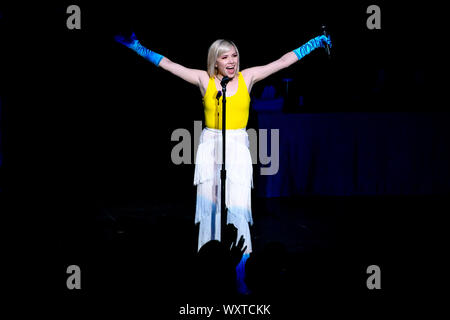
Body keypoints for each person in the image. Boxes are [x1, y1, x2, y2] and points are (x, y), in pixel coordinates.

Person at [115, 33, 331, 294]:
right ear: (214, 61)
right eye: (225, 56)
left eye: (235, 55)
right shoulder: (203, 79)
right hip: (211, 145)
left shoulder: (247, 77)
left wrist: (315, 42)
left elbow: (283, 61)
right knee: (210, 211)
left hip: (238, 145)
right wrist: (137, 47)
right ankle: (208, 276)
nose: (232, 61)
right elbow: (168, 64)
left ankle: (240, 277)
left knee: (238, 212)